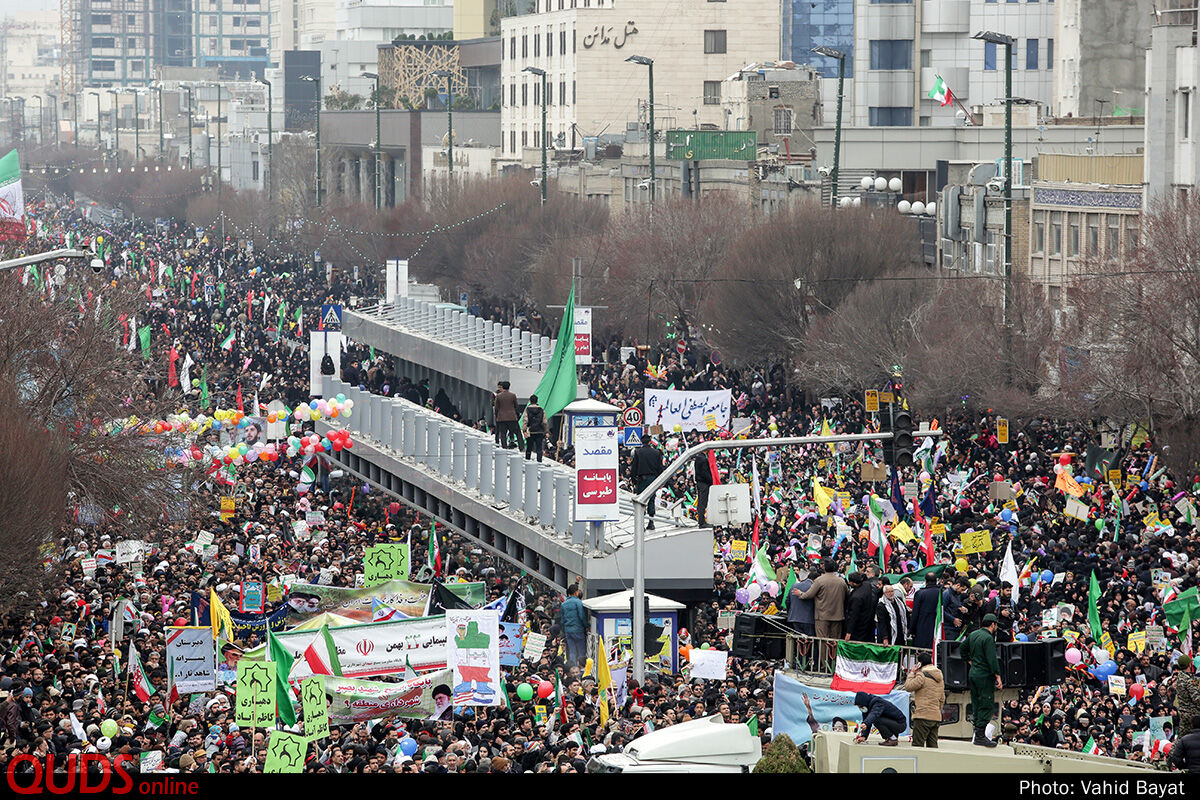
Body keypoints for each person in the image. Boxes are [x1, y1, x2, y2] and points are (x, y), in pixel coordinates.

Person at [963, 613, 1003, 747]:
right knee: (986, 704)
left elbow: (962, 649)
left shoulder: (973, 634)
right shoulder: (988, 638)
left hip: (973, 673)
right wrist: (997, 675)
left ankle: (977, 732)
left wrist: (970, 661)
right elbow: (992, 659)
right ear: (993, 624)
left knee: (976, 703)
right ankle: (980, 736)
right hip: (984, 675)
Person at [797, 560, 850, 641]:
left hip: (822, 616)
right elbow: (848, 595)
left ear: (824, 568)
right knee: (835, 642)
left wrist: (800, 593)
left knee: (823, 642)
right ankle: (833, 654)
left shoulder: (819, 580)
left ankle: (823, 654)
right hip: (837, 616)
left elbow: (808, 595)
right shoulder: (841, 581)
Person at [904, 651, 945, 748]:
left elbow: (908, 686)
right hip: (936, 717)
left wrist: (912, 673)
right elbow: (942, 698)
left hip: (923, 715)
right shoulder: (939, 677)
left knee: (917, 746)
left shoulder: (921, 675)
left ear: (920, 663)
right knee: (933, 746)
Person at [630, 435, 665, 530]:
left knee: (641, 501)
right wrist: (660, 480)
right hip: (653, 479)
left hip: (642, 480)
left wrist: (633, 480)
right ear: (650, 442)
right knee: (651, 500)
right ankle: (651, 521)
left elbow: (634, 468)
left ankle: (641, 523)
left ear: (642, 442)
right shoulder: (656, 453)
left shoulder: (638, 452)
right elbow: (660, 468)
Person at [910, 573, 942, 650]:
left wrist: (912, 630)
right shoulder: (942, 593)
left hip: (922, 629)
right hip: (938, 629)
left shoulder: (920, 593)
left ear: (926, 581)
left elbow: (915, 613)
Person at [560, 583, 588, 667]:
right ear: (576, 592)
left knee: (572, 651)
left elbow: (563, 619)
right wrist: (586, 625)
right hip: (578, 629)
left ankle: (573, 667)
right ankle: (582, 667)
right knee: (581, 651)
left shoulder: (563, 604)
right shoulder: (578, 602)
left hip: (568, 630)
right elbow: (581, 616)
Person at [787, 566, 820, 637]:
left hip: (794, 618)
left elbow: (787, 602)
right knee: (810, 641)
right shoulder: (813, 587)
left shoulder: (794, 586)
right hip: (809, 619)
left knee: (799, 641)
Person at [845, 573, 876, 643]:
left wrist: (849, 632)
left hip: (859, 628)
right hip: (868, 624)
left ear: (854, 583)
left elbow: (853, 615)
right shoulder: (867, 586)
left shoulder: (856, 597)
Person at [492, 381, 523, 450]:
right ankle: (521, 448)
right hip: (512, 417)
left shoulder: (498, 396)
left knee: (503, 433)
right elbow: (516, 406)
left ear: (502, 387)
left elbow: (496, 407)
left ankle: (504, 448)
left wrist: (497, 416)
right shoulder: (513, 395)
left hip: (501, 418)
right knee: (518, 433)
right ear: (509, 387)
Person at [1173, 656, 1200, 734]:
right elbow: (1196, 699)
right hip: (1192, 714)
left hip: (1184, 713)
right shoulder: (1187, 681)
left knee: (1182, 737)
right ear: (1189, 664)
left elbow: (1195, 679)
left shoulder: (1181, 677)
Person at [522, 394, 547, 462]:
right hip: (539, 431)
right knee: (539, 448)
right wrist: (546, 431)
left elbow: (525, 420)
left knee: (529, 447)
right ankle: (539, 461)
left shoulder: (527, 410)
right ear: (537, 401)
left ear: (530, 401)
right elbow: (544, 421)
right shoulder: (541, 410)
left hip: (530, 431)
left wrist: (524, 430)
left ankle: (527, 460)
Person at [693, 451, 714, 527]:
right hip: (704, 483)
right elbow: (705, 473)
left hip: (699, 482)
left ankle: (700, 520)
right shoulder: (703, 459)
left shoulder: (698, 458)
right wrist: (711, 481)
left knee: (700, 502)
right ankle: (702, 522)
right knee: (703, 502)